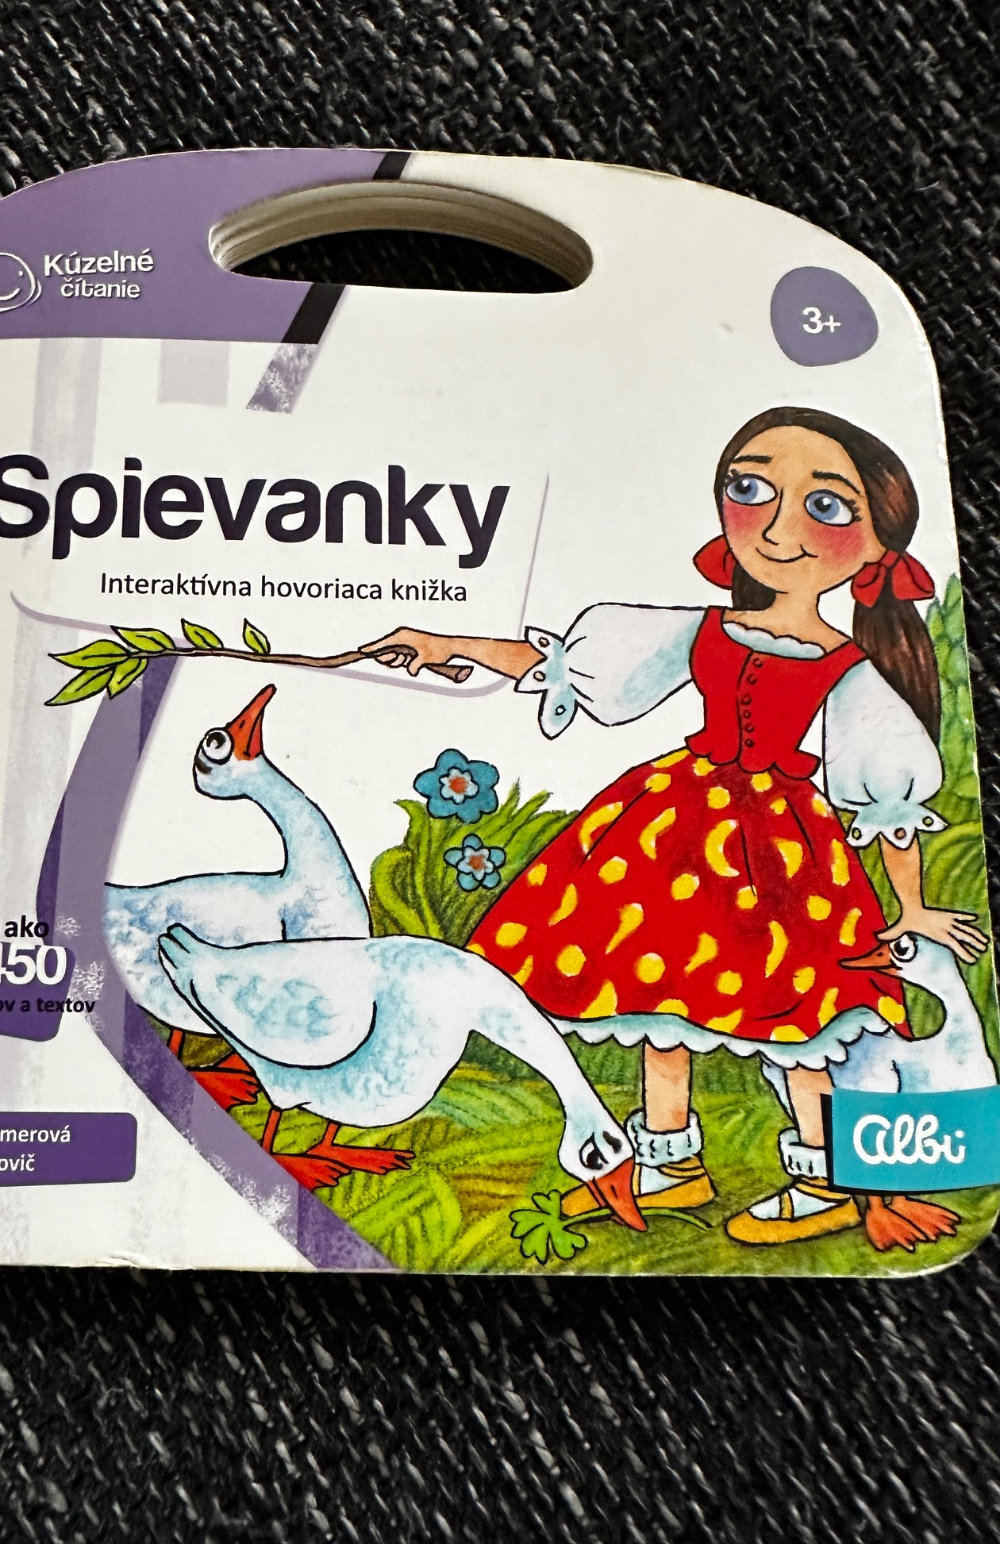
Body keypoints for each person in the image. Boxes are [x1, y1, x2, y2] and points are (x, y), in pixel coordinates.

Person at [362, 406, 986, 1244]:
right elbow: (567, 666)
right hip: (670, 829)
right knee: (659, 992)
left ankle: (827, 1176)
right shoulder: (699, 631)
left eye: (825, 506)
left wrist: (909, 910)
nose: (777, 527)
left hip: (780, 855)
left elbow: (888, 797)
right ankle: (670, 1162)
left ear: (877, 550)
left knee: (796, 1021)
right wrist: (446, 644)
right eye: (750, 489)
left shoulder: (848, 670)